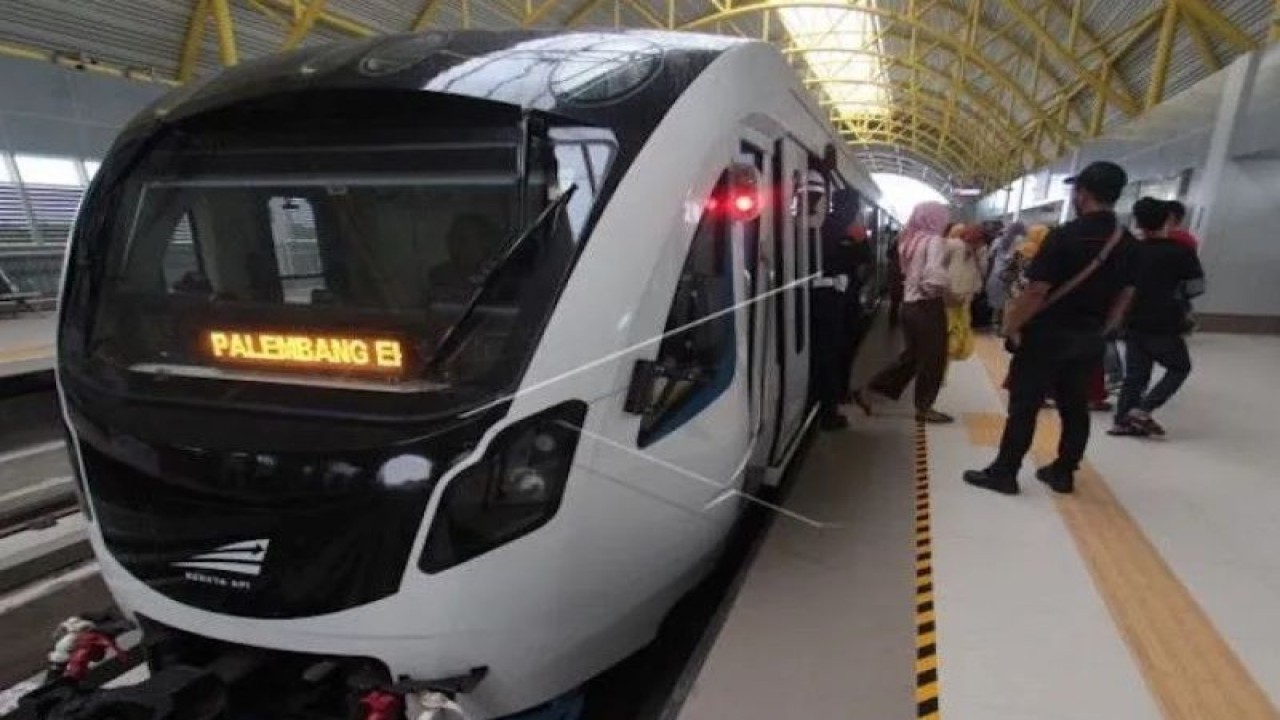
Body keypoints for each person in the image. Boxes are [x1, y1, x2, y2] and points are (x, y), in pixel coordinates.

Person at [964, 161, 1138, 495]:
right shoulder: (1127, 242)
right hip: (1090, 337)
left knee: (1025, 407)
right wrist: (1103, 330)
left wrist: (1012, 326)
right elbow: (1126, 294)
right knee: (1075, 408)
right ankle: (1063, 473)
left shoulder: (1064, 236)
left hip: (1046, 336)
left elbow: (1036, 291)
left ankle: (1005, 473)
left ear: (1082, 193)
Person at [1109, 198, 1205, 437]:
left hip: (1133, 320)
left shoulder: (1132, 250)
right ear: (1167, 220)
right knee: (1180, 367)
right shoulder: (1181, 251)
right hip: (1165, 321)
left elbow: (1119, 284)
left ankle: (1122, 421)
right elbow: (1195, 287)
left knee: (1135, 375)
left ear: (1138, 222)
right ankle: (1142, 411)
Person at [851, 202, 953, 424]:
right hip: (927, 305)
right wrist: (940, 290)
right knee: (933, 358)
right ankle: (925, 407)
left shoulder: (909, 239)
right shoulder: (934, 241)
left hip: (909, 305)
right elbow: (934, 274)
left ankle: (868, 390)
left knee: (914, 356)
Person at [809, 173, 850, 430]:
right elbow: (858, 260)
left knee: (821, 357)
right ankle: (829, 413)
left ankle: (822, 405)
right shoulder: (838, 227)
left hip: (813, 302)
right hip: (829, 304)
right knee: (829, 358)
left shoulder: (808, 224)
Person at [943, 225, 988, 362]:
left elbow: (981, 272)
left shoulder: (977, 251)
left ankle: (952, 352)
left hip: (961, 294)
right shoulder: (954, 245)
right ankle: (949, 352)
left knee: (956, 326)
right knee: (952, 326)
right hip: (953, 294)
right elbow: (939, 267)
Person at [985, 220, 1026, 323]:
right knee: (1008, 303)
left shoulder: (998, 241)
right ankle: (1004, 323)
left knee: (997, 303)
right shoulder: (1022, 242)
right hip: (1012, 276)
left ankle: (995, 322)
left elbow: (990, 257)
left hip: (997, 274)